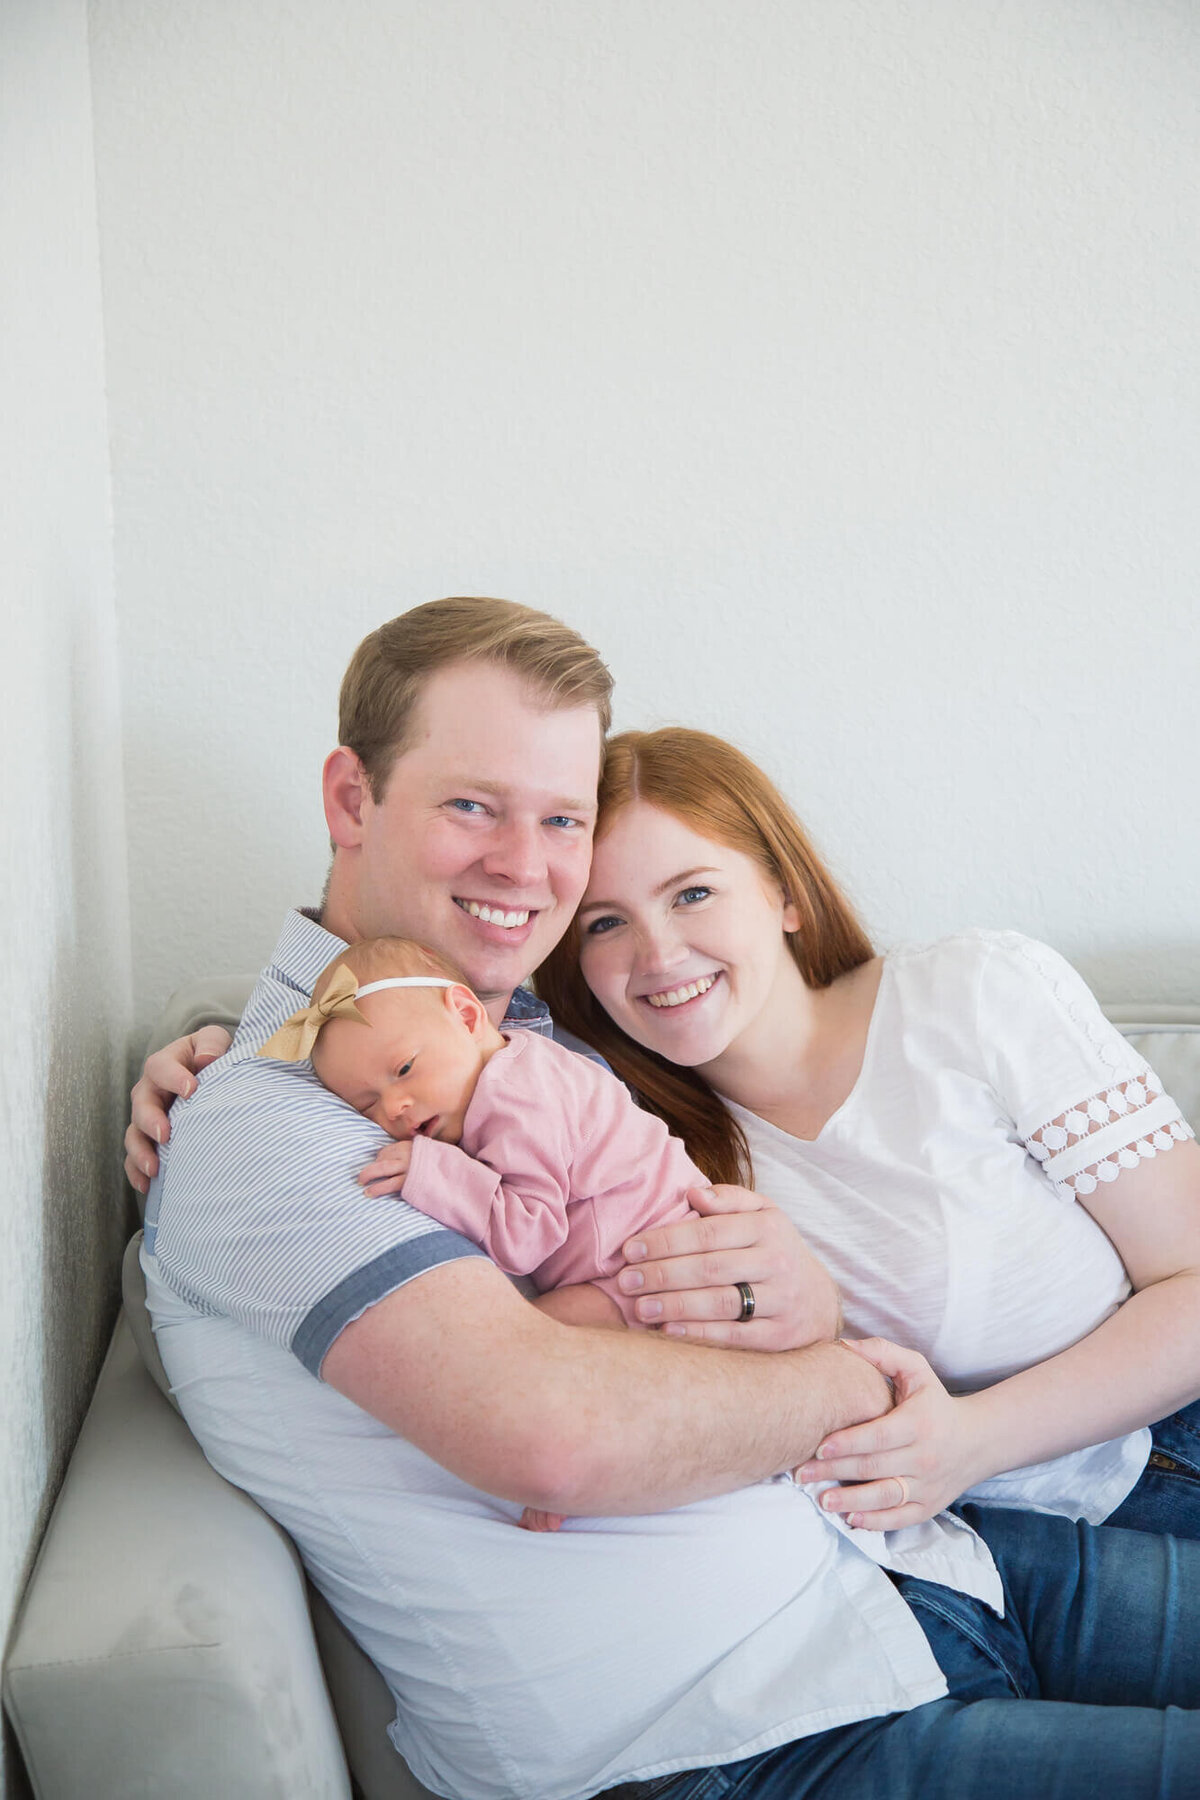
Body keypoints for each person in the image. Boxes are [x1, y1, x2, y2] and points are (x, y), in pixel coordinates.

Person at [131, 597, 1200, 1800]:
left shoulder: (549, 1037)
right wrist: (849, 1373)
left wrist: (799, 1300)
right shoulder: (267, 1124)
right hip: (746, 1735)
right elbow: (558, 1435)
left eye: (562, 820)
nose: (524, 867)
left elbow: (729, 1291)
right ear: (351, 801)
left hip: (922, 1569)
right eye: (472, 804)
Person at [534, 725, 1200, 1541]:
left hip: (1160, 1440)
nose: (658, 953)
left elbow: (1193, 1279)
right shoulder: (635, 1152)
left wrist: (972, 1441)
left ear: (785, 893)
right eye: (604, 923)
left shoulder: (972, 992)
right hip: (974, 1541)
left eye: (692, 894)